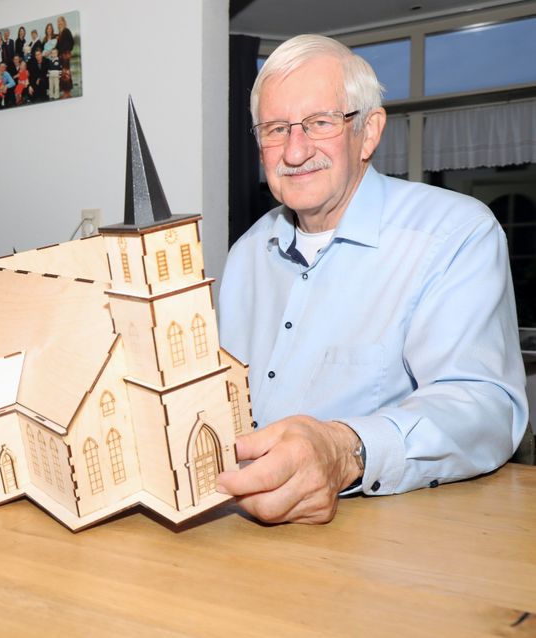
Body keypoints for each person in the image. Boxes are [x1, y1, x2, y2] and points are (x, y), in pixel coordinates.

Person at [215, 34, 528, 525]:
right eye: (275, 129)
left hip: (389, 546)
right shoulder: (245, 255)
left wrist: (345, 450)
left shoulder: (455, 234)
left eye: (319, 123)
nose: (294, 152)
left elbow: (486, 409)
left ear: (369, 131)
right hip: (241, 531)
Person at [55, 16, 75, 99]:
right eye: (58, 22)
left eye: (61, 21)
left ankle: (67, 93)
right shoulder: (60, 33)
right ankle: (65, 92)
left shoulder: (66, 31)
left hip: (65, 56)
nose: (59, 23)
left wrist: (67, 52)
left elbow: (72, 42)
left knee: (66, 74)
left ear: (64, 22)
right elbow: (58, 46)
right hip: (61, 57)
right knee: (63, 74)